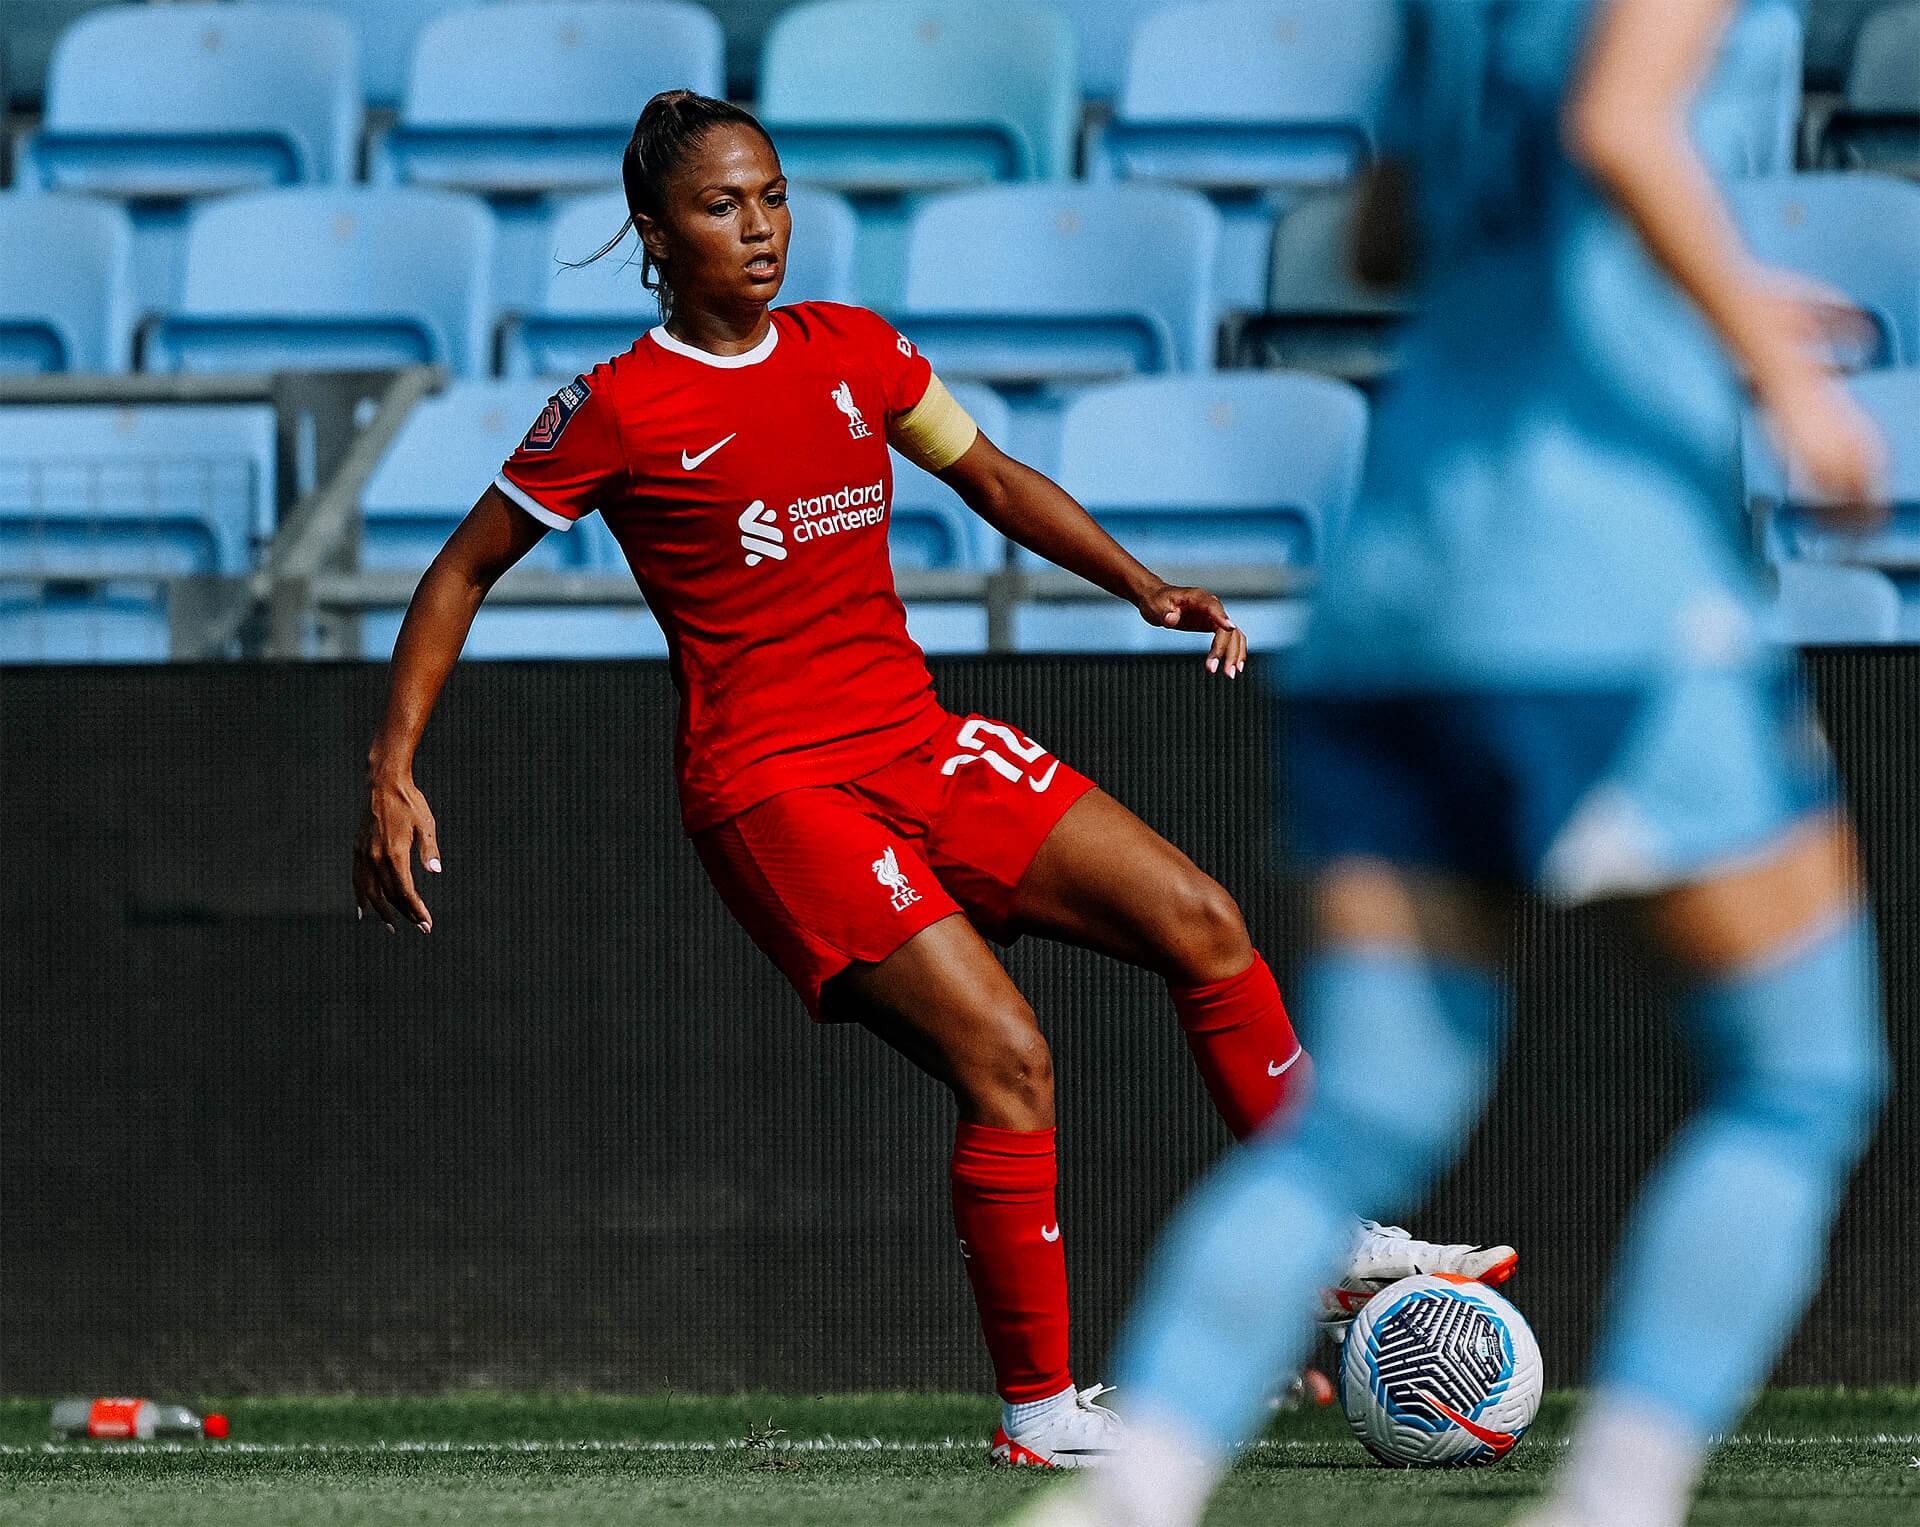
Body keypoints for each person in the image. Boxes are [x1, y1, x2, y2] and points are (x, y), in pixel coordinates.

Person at [352, 90, 1512, 1468]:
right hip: (777, 791)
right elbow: (461, 570)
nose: (761, 227)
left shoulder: (857, 350)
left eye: (773, 196)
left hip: (916, 740)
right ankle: (1040, 1412)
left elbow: (996, 477)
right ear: (656, 235)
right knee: (1008, 1056)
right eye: (724, 207)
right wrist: (391, 770)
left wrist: (1139, 583)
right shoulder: (618, 408)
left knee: (1201, 919)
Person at [1014, 0, 1892, 1521]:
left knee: (1362, 1113)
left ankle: (1132, 1489)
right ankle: (1616, 1497)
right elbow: (1618, 126)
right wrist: (1778, 365)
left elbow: (1381, 234)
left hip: (1398, 587)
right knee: (1802, 1076)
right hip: (1606, 583)